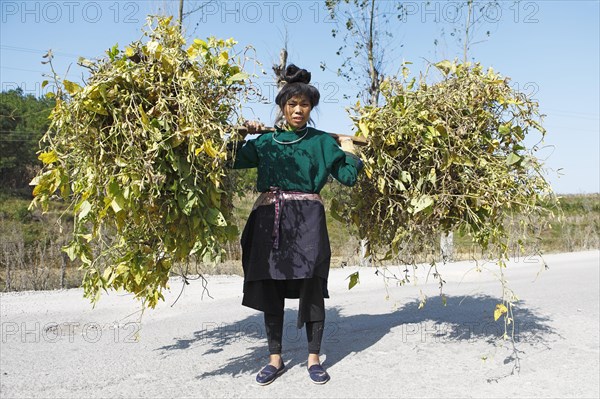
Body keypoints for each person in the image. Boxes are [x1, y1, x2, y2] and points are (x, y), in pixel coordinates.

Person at [232, 64, 362, 385]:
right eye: (292, 104)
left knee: (311, 283)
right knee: (270, 283)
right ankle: (275, 359)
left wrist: (349, 151)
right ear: (282, 107)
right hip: (270, 218)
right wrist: (239, 134)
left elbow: (347, 177)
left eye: (304, 105)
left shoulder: (321, 142)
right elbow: (230, 159)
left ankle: (313, 358)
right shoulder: (266, 142)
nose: (298, 110)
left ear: (311, 107)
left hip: (308, 221)